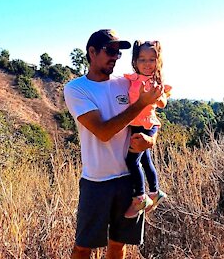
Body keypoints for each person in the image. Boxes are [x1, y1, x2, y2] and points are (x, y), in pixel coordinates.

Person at [64, 29, 164, 259]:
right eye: (110, 51)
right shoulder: (76, 89)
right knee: (83, 247)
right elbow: (103, 132)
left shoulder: (125, 83)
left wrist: (151, 139)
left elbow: (151, 117)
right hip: (96, 181)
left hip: (129, 180)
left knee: (118, 245)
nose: (115, 57)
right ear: (92, 52)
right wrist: (139, 104)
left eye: (118, 53)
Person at [123, 40, 172, 218]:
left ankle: (140, 197)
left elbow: (163, 102)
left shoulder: (155, 82)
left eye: (151, 59)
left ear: (158, 61)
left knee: (132, 161)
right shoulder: (133, 79)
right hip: (135, 123)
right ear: (135, 61)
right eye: (142, 59)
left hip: (147, 124)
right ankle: (155, 191)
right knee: (145, 160)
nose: (147, 63)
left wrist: (156, 97)